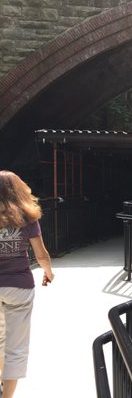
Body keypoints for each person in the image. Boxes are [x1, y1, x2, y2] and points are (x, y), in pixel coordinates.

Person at [0, 170, 54, 398]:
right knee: (16, 347)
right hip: (19, 286)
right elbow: (40, 254)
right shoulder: (28, 216)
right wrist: (48, 272)